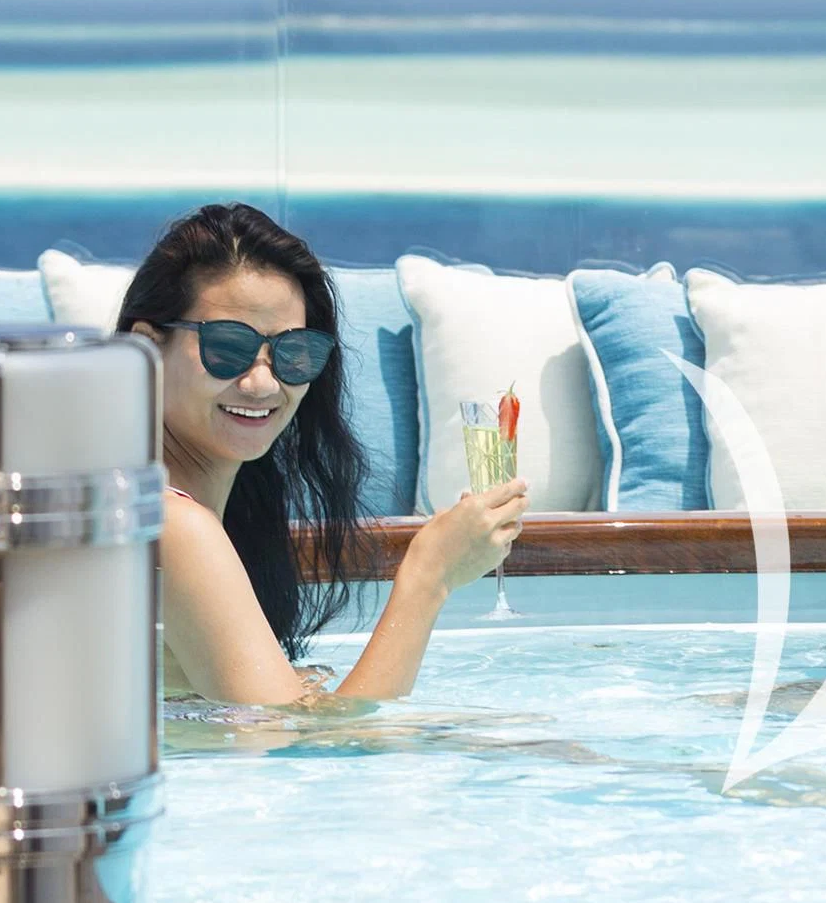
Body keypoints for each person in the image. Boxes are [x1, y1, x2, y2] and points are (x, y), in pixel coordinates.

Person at [118, 203, 524, 703]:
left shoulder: (147, 505)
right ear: (145, 350)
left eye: (294, 353)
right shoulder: (178, 526)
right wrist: (430, 575)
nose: (263, 383)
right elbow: (303, 740)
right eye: (227, 347)